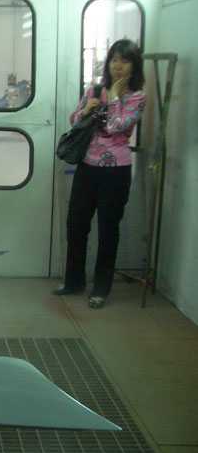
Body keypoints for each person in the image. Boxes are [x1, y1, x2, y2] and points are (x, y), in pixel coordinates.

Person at [54, 39, 146, 309]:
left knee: (108, 229)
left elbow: (119, 126)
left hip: (116, 171)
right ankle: (74, 281)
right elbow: (74, 120)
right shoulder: (94, 89)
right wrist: (86, 109)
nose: (118, 66)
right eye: (114, 60)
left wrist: (115, 98)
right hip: (87, 167)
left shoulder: (138, 97)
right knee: (76, 225)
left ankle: (101, 288)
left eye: (125, 61)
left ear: (134, 66)